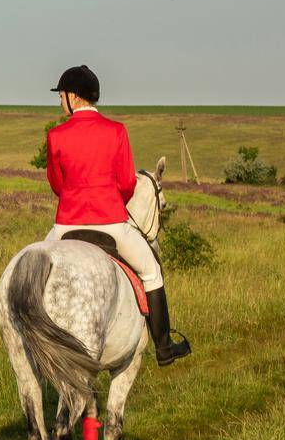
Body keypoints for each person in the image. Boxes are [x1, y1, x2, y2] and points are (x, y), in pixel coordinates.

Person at [43, 65, 191, 366]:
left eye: (61, 95)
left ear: (73, 96)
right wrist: (111, 201)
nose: (60, 101)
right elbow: (126, 183)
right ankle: (164, 349)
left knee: (36, 270)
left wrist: (75, 200)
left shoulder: (56, 135)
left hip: (65, 225)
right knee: (151, 272)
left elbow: (57, 184)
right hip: (111, 223)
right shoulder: (116, 131)